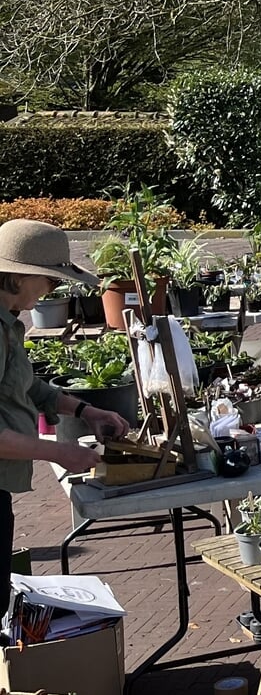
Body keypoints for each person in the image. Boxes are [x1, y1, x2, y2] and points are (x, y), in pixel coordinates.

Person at [0, 220, 131, 608]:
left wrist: (85, 410)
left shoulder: (8, 321)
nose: (52, 291)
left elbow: (26, 386)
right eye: (51, 280)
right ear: (20, 276)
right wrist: (60, 452)